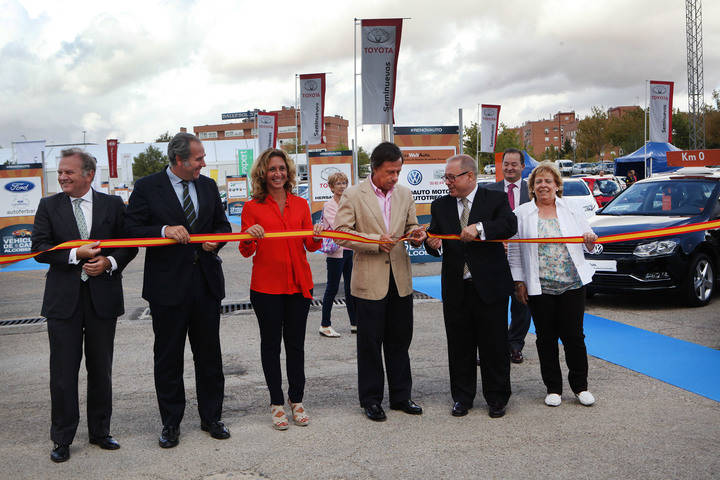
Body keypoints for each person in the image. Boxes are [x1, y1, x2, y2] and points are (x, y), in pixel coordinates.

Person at [125, 132, 232, 448]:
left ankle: (211, 417)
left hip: (206, 285)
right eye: (198, 159)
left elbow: (222, 226)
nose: (203, 163)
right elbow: (130, 229)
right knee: (169, 358)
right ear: (179, 160)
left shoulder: (208, 185)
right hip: (167, 288)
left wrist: (217, 240)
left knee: (209, 356)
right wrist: (163, 231)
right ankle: (171, 423)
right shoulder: (147, 187)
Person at [31, 148, 138, 463]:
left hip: (102, 300)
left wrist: (108, 262)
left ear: (88, 175)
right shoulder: (48, 206)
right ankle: (62, 438)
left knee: (100, 370)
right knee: (63, 373)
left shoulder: (112, 205)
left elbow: (129, 244)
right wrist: (73, 255)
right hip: (62, 302)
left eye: (69, 172)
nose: (62, 176)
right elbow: (39, 248)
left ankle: (100, 432)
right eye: (61, 172)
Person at [334, 141, 427, 422]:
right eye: (390, 172)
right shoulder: (353, 195)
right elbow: (340, 233)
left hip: (400, 280)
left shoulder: (405, 194)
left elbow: (411, 225)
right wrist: (375, 242)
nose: (395, 177)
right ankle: (371, 400)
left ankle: (401, 396)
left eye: (398, 171)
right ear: (374, 169)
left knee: (400, 342)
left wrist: (417, 234)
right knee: (370, 345)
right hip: (368, 282)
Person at [425, 154, 517, 418]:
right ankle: (462, 398)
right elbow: (436, 239)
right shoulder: (440, 205)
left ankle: (497, 398)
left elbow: (510, 225)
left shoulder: (495, 199)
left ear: (470, 176)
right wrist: (432, 244)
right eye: (446, 178)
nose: (447, 183)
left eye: (452, 177)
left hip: (490, 287)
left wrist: (480, 228)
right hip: (456, 289)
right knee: (459, 346)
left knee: (494, 346)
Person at [239, 148, 323, 430]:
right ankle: (276, 402)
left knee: (296, 346)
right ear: (263, 173)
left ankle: (296, 400)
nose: (278, 173)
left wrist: (317, 234)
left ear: (288, 172)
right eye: (272, 169)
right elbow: (245, 250)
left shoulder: (300, 204)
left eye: (282, 168)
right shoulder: (252, 207)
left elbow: (310, 245)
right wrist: (250, 237)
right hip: (266, 288)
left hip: (298, 286)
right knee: (271, 346)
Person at [507, 161, 598, 408]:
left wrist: (589, 240)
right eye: (538, 182)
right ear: (532, 187)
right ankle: (553, 388)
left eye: (548, 181)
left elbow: (589, 242)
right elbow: (514, 252)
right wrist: (519, 282)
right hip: (540, 287)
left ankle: (580, 387)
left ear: (557, 185)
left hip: (572, 284)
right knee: (545, 339)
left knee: (574, 337)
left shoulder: (571, 209)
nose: (543, 185)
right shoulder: (522, 214)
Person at [485, 148, 532, 364]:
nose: (510, 168)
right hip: (496, 256)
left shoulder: (532, 191)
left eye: (514, 164)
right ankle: (492, 346)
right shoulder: (488, 191)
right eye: (506, 164)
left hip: (524, 255)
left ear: (523, 166)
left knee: (522, 304)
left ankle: (515, 345)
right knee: (493, 304)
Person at [318, 172, 357, 337]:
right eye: (338, 183)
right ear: (331, 187)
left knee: (350, 288)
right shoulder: (329, 205)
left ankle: (355, 323)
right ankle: (325, 324)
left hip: (349, 250)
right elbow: (339, 226)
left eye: (344, 183)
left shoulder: (349, 202)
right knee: (332, 288)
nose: (342, 186)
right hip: (336, 252)